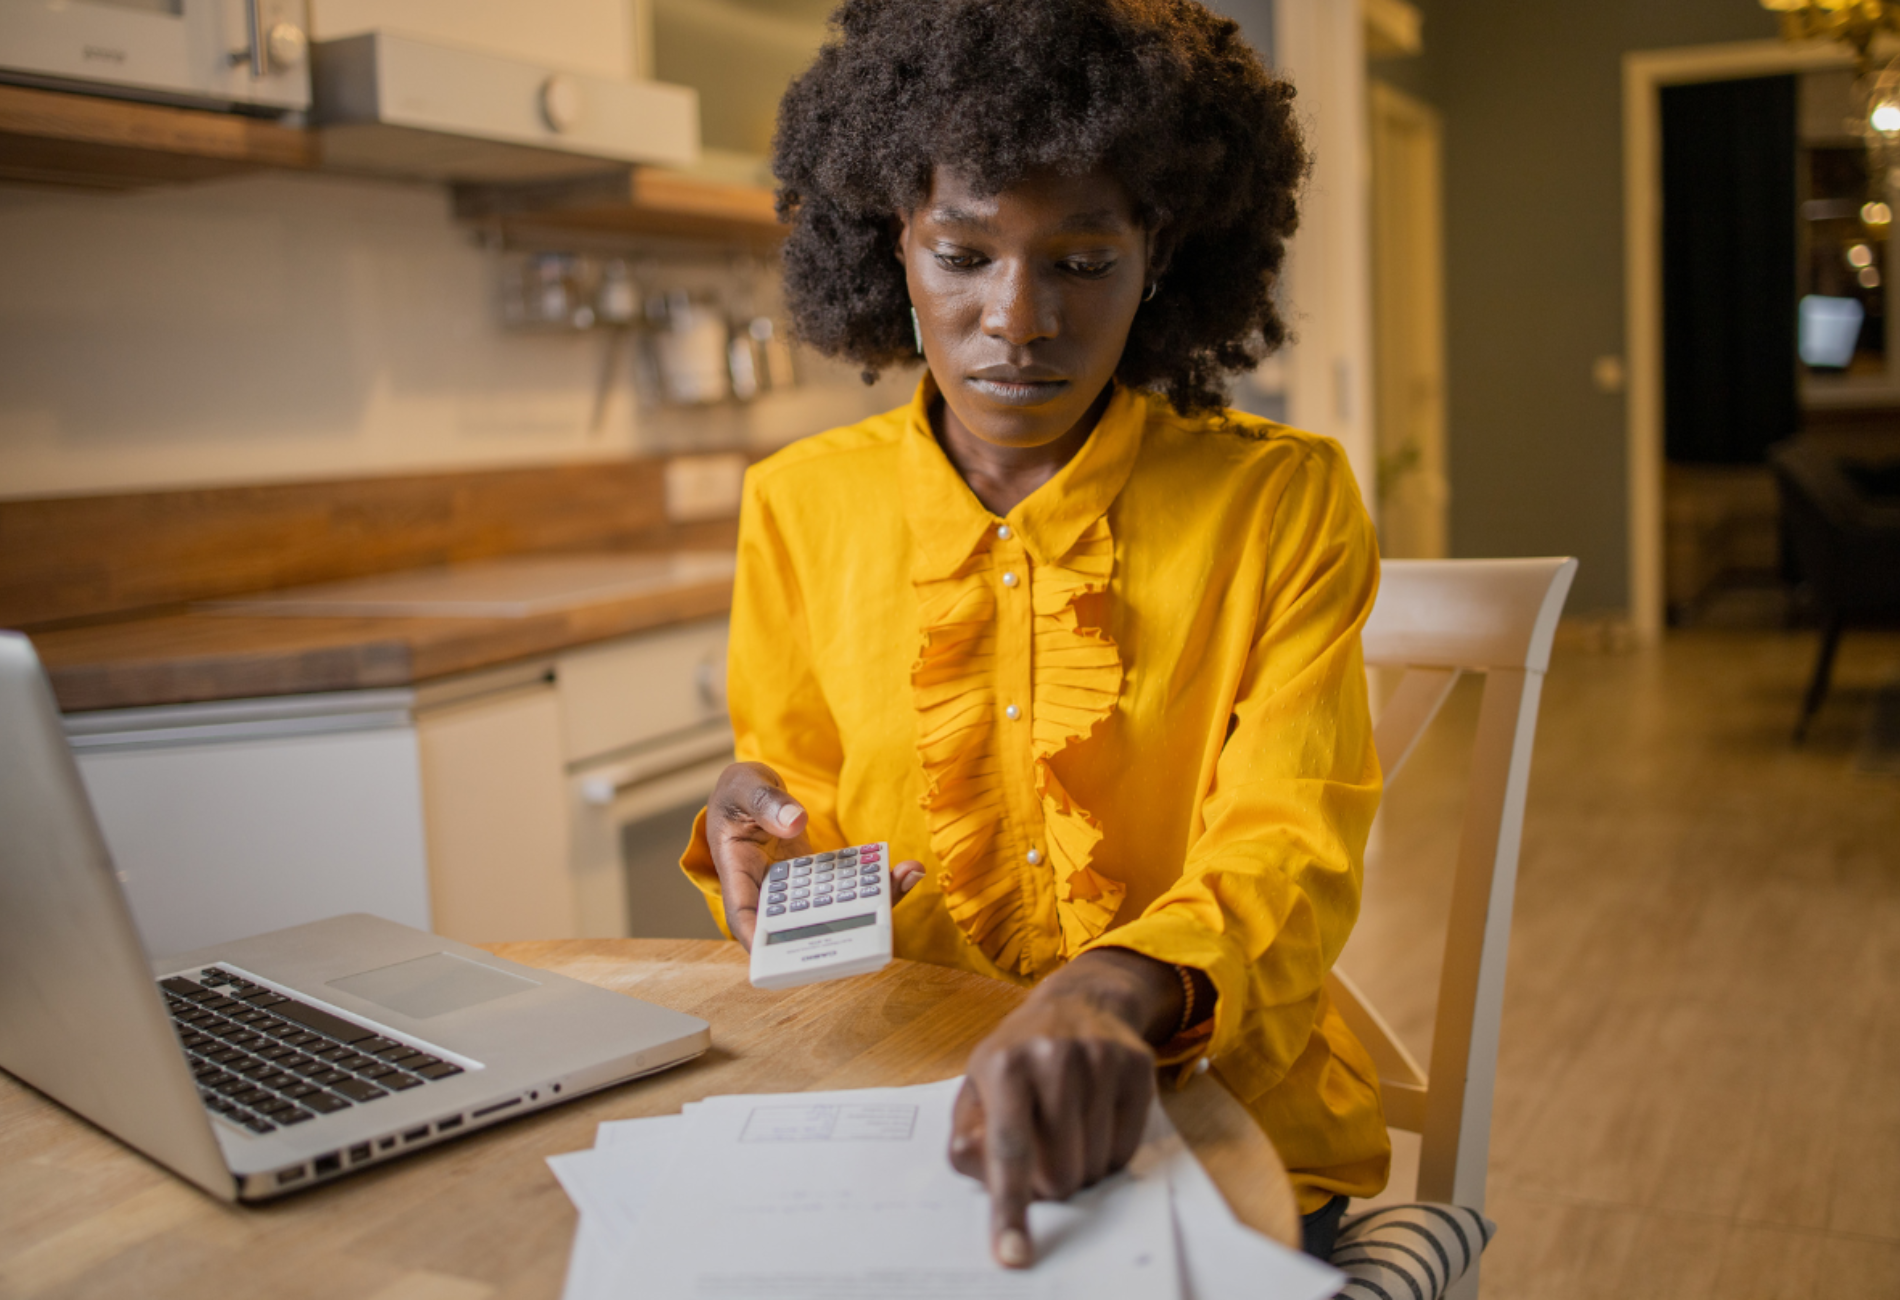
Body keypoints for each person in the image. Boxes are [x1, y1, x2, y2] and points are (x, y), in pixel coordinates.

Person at [680, 0, 1389, 1266]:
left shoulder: (1282, 503)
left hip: (1225, 1122)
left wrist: (1115, 990)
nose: (1017, 320)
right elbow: (808, 806)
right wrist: (763, 833)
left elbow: (1295, 839)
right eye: (962, 256)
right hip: (897, 1107)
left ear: (1159, 254)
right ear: (890, 246)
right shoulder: (796, 505)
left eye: (1078, 261)